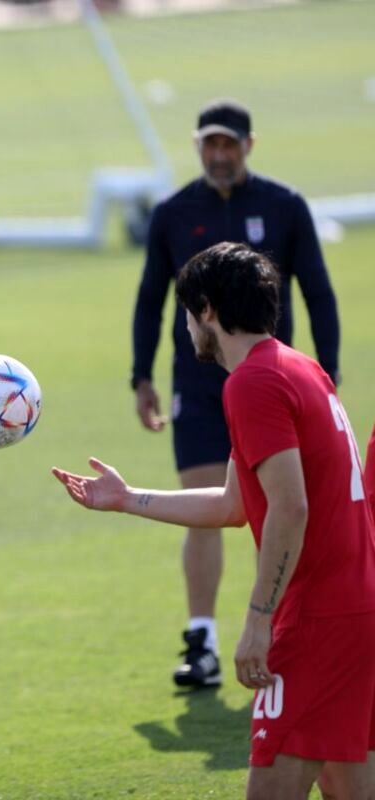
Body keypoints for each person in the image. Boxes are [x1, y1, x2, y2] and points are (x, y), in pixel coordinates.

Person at [59, 242, 375, 798]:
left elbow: (290, 506)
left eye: (186, 313)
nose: (186, 328)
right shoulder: (297, 368)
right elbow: (235, 505)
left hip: (319, 620)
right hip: (357, 612)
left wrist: (258, 617)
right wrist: (128, 497)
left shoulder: (253, 385)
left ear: (206, 310)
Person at [131, 98, 341, 689]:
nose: (219, 154)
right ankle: (203, 639)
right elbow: (151, 297)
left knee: (275, 505)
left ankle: (274, 625)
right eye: (209, 144)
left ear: (248, 145)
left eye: (229, 143)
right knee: (215, 502)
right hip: (199, 384)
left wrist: (327, 372)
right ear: (198, 147)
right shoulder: (173, 213)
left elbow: (318, 291)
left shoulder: (284, 206)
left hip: (272, 383)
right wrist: (140, 375)